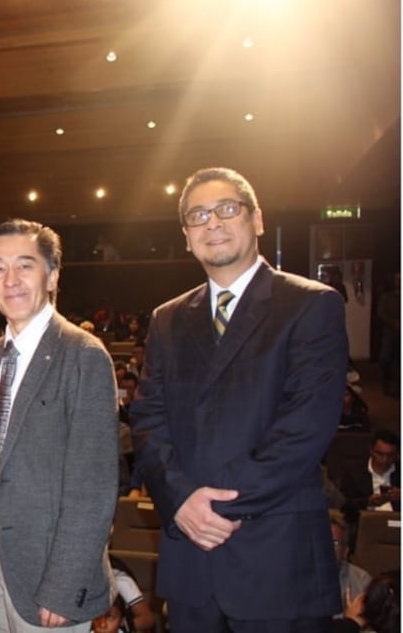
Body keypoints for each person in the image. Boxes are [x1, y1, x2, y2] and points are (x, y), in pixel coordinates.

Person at [130, 167, 348, 631]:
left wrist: (215, 507)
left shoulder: (311, 304)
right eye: (198, 215)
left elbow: (306, 427)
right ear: (186, 236)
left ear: (258, 220)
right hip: (191, 559)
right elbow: (148, 419)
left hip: (275, 556)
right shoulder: (166, 320)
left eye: (227, 209)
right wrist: (181, 500)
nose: (213, 223)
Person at [0, 219, 119, 632]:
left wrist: (65, 584)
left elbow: (93, 487)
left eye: (25, 265)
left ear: (52, 275)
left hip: (51, 569)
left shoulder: (83, 355)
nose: (10, 279)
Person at [339, 429, 401, 517]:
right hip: (367, 520)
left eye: (390, 455)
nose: (385, 459)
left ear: (397, 454)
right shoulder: (354, 472)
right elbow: (344, 504)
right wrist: (368, 502)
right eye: (380, 454)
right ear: (371, 450)